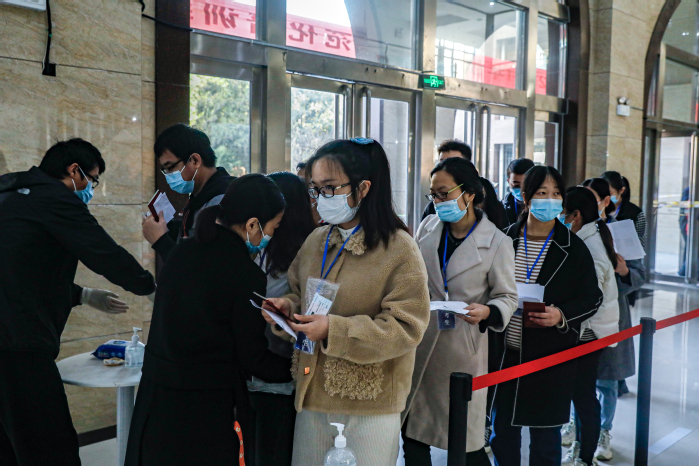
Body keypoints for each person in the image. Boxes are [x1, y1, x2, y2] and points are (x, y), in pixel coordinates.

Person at [260, 138, 430, 466]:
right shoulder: (317, 240)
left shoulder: (399, 248)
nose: (321, 197)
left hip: (369, 404)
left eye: (330, 187)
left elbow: (406, 328)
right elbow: (300, 294)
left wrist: (333, 330)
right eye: (315, 188)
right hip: (312, 393)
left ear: (363, 188)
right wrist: (287, 308)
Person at [0, 138, 156, 466]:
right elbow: (103, 252)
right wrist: (150, 288)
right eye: (92, 180)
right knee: (50, 446)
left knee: (11, 446)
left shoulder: (10, 193)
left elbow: (21, 270)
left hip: (10, 337)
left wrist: (82, 295)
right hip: (18, 346)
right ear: (74, 171)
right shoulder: (54, 198)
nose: (90, 190)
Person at [125, 174, 293, 466]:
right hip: (205, 408)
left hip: (156, 396)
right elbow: (251, 357)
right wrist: (299, 369)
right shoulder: (245, 274)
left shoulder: (182, 251)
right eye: (273, 227)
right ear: (253, 224)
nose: (271, 235)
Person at [403, 158, 517, 466]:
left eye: (444, 193)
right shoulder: (428, 227)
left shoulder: (497, 242)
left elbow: (507, 296)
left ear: (469, 194)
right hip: (422, 341)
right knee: (413, 435)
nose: (437, 201)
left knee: (466, 441)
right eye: (433, 195)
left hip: (462, 350)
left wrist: (488, 311)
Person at [490, 166, 603, 466]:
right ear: (526, 197)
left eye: (556, 194)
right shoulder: (505, 240)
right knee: (503, 437)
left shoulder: (573, 247)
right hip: (506, 355)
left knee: (545, 442)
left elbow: (592, 297)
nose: (550, 200)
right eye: (542, 193)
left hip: (549, 358)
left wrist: (561, 315)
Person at [248, 172, 317, 466]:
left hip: (280, 365)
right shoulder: (262, 245)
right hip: (257, 366)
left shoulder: (304, 253)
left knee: (272, 450)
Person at [577, 178, 645, 462]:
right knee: (578, 381)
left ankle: (604, 431)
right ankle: (576, 430)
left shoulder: (621, 231)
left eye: (594, 198)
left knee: (606, 381)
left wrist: (623, 270)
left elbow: (639, 277)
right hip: (579, 316)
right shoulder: (575, 230)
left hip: (613, 314)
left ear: (607, 201)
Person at [560, 187, 620, 466]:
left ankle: (584, 456)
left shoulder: (590, 245)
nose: (560, 218)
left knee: (583, 395)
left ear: (576, 215)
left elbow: (590, 298)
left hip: (589, 331)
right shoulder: (589, 236)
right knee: (581, 394)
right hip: (589, 329)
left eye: (563, 213)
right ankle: (581, 449)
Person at [142, 123, 235, 261]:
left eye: (170, 167)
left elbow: (202, 267)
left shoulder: (221, 201)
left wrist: (160, 241)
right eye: (165, 170)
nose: (168, 175)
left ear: (195, 160)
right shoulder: (200, 197)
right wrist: (169, 228)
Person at [422, 140, 472, 219]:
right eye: (442, 162)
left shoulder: (482, 202)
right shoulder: (432, 208)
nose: (445, 168)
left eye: (453, 163)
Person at [600, 171, 646, 248]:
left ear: (621, 190)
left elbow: (641, 243)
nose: (606, 197)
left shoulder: (635, 213)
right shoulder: (598, 208)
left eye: (610, 194)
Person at [502, 158, 536, 226]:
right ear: (508, 182)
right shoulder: (501, 209)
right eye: (516, 185)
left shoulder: (543, 207)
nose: (522, 190)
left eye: (526, 185)